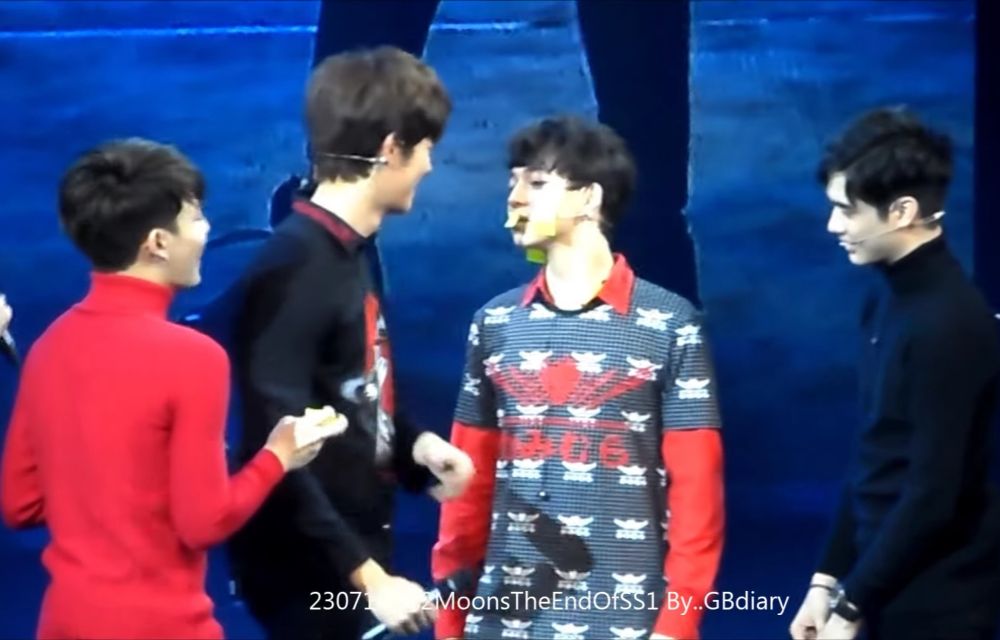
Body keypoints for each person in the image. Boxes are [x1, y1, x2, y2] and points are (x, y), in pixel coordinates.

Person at [0, 138, 334, 639]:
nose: (207, 230)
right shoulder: (194, 359)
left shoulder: (49, 347)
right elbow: (205, 522)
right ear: (157, 242)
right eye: (196, 217)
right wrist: (278, 455)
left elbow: (20, 504)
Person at [431, 115, 726, 640]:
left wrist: (677, 624)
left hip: (625, 617)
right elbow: (466, 487)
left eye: (537, 182)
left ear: (589, 198)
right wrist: (451, 619)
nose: (515, 198)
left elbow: (697, 493)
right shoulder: (494, 323)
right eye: (513, 183)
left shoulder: (670, 324)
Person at [227, 46, 475, 640]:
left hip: (352, 559)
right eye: (425, 149)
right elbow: (273, 439)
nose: (429, 167)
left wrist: (417, 449)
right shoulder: (295, 264)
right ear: (390, 149)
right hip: (306, 576)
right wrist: (367, 579)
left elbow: (353, 390)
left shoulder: (350, 254)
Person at [789, 107, 1000, 640]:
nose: (833, 225)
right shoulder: (885, 301)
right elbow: (874, 454)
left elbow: (934, 493)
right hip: (880, 584)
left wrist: (852, 604)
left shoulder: (950, 324)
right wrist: (826, 580)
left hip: (939, 604)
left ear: (903, 211)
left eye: (847, 210)